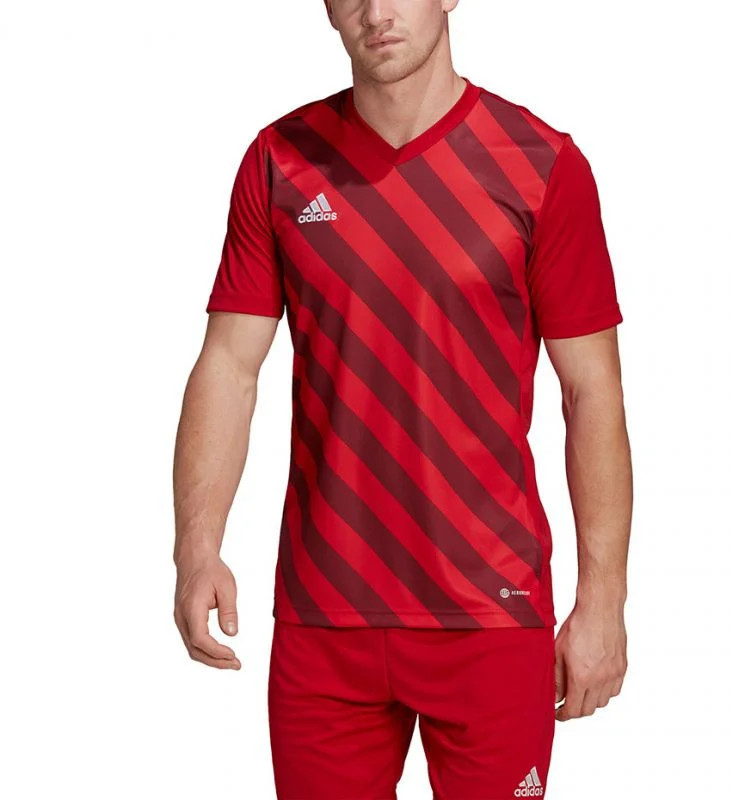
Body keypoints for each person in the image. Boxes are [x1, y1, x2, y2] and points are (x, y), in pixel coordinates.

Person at [172, 1, 633, 797]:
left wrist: (604, 601)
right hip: (325, 615)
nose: (377, 13)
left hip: (490, 612)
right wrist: (195, 548)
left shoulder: (541, 164)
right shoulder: (281, 161)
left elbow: (592, 392)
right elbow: (229, 366)